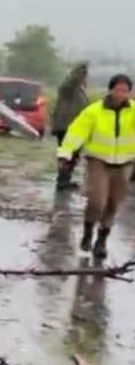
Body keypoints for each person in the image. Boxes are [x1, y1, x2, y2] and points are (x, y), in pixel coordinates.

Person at [58, 74, 135, 259]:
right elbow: (76, 132)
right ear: (110, 90)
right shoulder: (94, 111)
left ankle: (102, 240)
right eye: (118, 90)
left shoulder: (133, 111)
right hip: (98, 161)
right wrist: (65, 154)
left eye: (125, 91)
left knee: (114, 203)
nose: (121, 94)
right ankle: (88, 231)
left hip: (124, 163)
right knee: (96, 200)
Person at [52, 62, 90, 190]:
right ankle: (62, 181)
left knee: (73, 155)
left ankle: (65, 179)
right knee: (67, 154)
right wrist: (81, 69)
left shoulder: (80, 90)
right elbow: (72, 80)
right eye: (83, 76)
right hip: (66, 126)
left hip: (75, 128)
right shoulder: (68, 89)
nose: (85, 79)